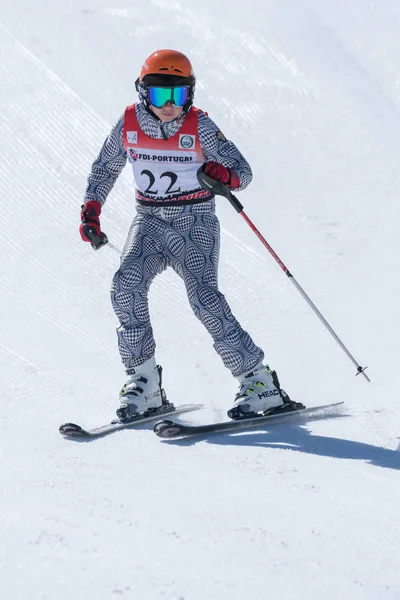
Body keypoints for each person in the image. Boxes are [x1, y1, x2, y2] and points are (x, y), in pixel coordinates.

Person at [80, 49, 303, 421]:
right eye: (159, 95)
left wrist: (226, 176)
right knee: (125, 286)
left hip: (194, 220)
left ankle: (259, 381)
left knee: (203, 298)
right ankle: (145, 382)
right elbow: (105, 168)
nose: (169, 106)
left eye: (178, 95)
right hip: (149, 220)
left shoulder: (199, 126)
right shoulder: (129, 123)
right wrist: (91, 208)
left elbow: (242, 171)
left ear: (191, 93)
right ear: (142, 92)